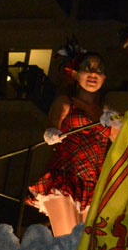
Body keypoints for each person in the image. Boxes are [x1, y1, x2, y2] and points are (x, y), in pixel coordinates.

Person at [25, 48, 119, 237]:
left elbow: (121, 139)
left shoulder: (107, 112)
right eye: (88, 68)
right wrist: (52, 133)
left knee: (83, 245)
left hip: (93, 186)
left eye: (99, 69)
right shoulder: (66, 102)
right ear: (76, 74)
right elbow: (53, 124)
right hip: (65, 180)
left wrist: (113, 121)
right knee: (67, 239)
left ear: (104, 77)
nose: (93, 73)